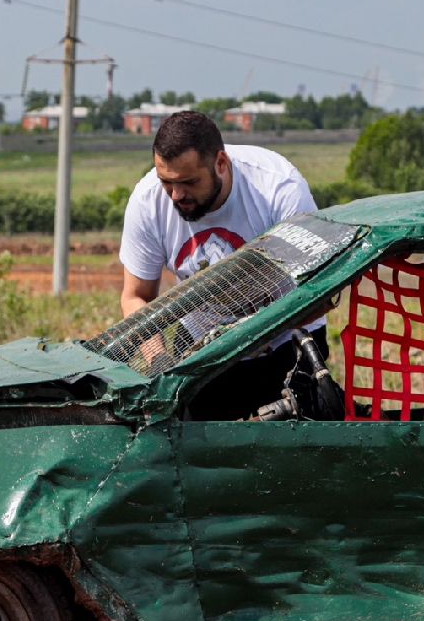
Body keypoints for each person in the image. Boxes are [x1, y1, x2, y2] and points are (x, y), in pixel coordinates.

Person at [119, 110, 326, 419]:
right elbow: (136, 297)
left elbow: (319, 295)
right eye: (167, 182)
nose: (176, 195)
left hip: (286, 342)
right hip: (201, 349)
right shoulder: (148, 202)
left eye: (189, 182)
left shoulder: (279, 189)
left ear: (221, 163)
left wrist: (251, 336)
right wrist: (161, 362)